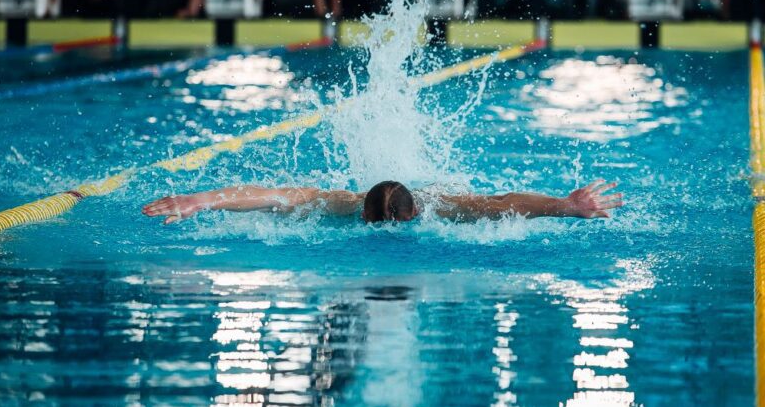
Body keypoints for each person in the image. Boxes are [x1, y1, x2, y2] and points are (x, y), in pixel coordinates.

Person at [142, 179, 624, 225]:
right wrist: (201, 200)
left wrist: (563, 206)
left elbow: (503, 203)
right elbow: (275, 196)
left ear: (414, 216)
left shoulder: (443, 208)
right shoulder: (342, 204)